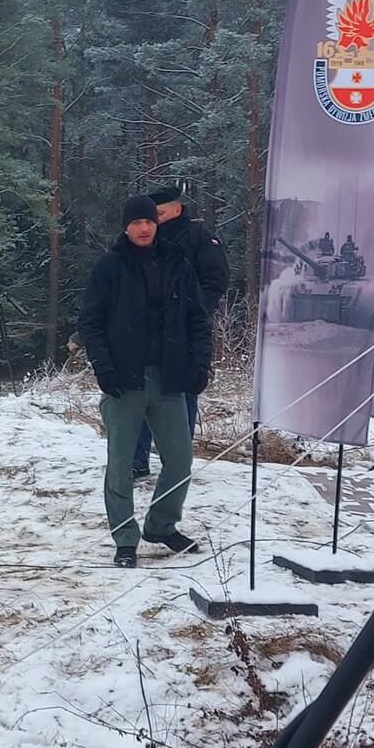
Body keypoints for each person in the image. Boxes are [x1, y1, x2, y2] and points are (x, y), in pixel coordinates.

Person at [79, 195, 213, 569]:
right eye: (136, 223)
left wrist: (199, 364)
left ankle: (161, 525)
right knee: (121, 464)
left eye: (149, 222)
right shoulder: (110, 266)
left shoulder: (177, 262)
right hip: (124, 381)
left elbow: (198, 319)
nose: (143, 228)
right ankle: (125, 538)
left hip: (169, 378)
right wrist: (103, 368)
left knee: (180, 461)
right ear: (126, 227)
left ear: (157, 224)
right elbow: (91, 321)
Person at [133, 186, 228, 477]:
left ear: (177, 208)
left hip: (185, 331)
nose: (154, 221)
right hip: (146, 330)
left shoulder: (199, 237)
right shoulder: (144, 238)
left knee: (183, 393)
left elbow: (217, 279)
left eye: (160, 214)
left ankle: (177, 463)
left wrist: (191, 311)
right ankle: (137, 458)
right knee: (141, 393)